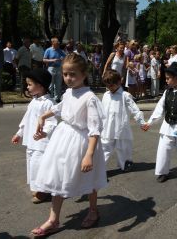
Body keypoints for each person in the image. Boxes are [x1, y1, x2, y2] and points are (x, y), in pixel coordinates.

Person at [31, 53, 107, 236]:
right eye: (65, 74)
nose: (68, 78)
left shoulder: (89, 98)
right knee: (58, 177)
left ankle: (93, 210)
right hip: (63, 140)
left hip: (83, 143)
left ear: (84, 74)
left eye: (73, 74)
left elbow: (94, 129)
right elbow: (59, 107)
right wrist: (43, 116)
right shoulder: (68, 92)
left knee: (89, 179)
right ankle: (53, 219)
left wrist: (89, 154)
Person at [141, 62, 177, 183]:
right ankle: (162, 172)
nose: (166, 80)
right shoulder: (167, 92)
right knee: (163, 149)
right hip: (167, 126)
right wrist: (149, 122)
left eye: (168, 78)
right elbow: (159, 108)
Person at [11, 68, 57, 203]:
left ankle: (43, 191)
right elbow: (27, 119)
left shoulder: (49, 103)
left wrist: (45, 133)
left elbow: (52, 122)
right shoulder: (34, 101)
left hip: (42, 143)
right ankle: (37, 188)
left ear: (41, 85)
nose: (27, 87)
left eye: (30, 84)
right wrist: (19, 133)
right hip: (31, 141)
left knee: (39, 165)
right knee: (31, 164)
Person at [100, 69, 145, 171]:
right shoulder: (106, 95)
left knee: (123, 147)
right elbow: (102, 111)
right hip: (107, 128)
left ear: (119, 82)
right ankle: (99, 170)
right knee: (105, 148)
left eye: (111, 85)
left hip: (121, 127)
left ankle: (125, 164)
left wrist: (141, 122)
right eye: (107, 85)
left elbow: (135, 109)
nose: (109, 88)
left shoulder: (125, 95)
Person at [43, 37, 66, 102]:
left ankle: (57, 98)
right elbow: (44, 59)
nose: (58, 44)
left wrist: (63, 59)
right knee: (51, 84)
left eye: (58, 43)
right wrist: (52, 60)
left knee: (58, 84)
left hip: (59, 68)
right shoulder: (48, 50)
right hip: (51, 68)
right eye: (57, 43)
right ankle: (50, 98)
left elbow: (66, 57)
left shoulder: (60, 50)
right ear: (53, 43)